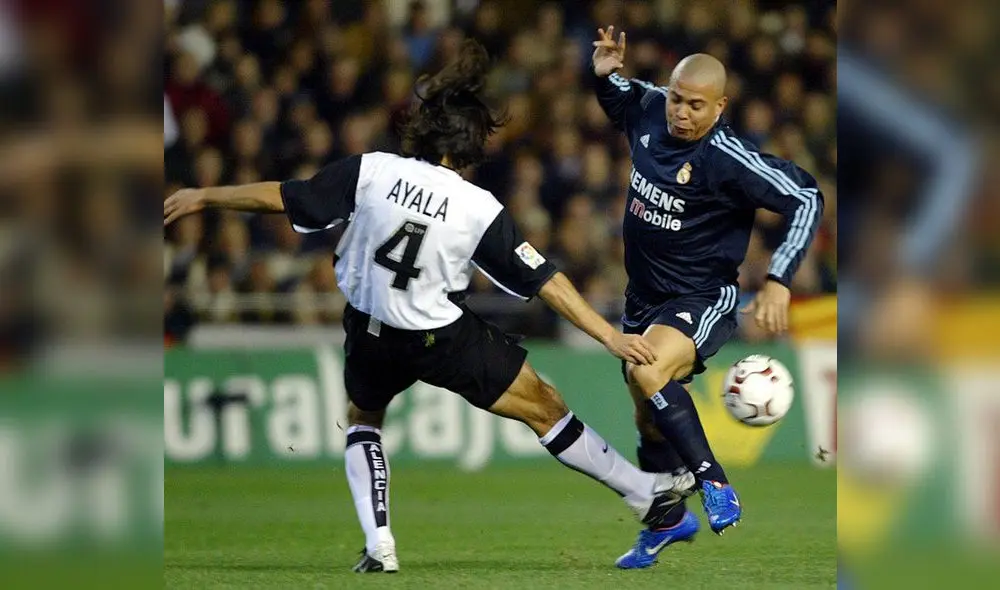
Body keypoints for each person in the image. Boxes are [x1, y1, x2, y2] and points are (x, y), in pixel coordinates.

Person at [164, 39, 696, 574]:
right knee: (545, 407)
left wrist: (205, 196)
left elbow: (282, 195)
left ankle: (380, 546)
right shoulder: (476, 206)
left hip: (369, 331)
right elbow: (546, 281)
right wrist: (609, 335)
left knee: (362, 420)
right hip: (438, 336)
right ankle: (646, 495)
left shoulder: (371, 171)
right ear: (471, 149)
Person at [590, 27, 825, 568]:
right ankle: (667, 521)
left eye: (696, 105)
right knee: (648, 414)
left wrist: (780, 278)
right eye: (676, 98)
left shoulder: (727, 158)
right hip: (642, 299)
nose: (681, 113)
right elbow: (618, 97)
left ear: (720, 106)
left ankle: (714, 481)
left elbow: (806, 196)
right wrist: (604, 75)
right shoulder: (649, 109)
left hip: (701, 296)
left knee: (646, 370)